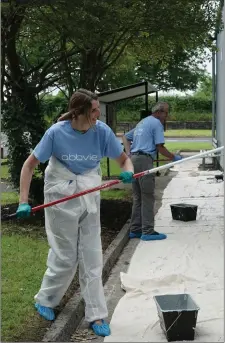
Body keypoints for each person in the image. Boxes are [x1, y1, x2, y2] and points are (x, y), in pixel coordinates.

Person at [16, 89, 134, 337]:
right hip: (60, 196)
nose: (97, 114)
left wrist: (128, 170)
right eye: (93, 110)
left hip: (89, 194)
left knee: (92, 256)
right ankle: (45, 299)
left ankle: (96, 313)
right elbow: (29, 166)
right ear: (79, 112)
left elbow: (124, 160)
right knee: (66, 256)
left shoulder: (101, 131)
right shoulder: (56, 133)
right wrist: (23, 201)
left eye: (97, 109)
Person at [122, 101, 182, 241]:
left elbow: (125, 137)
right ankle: (147, 231)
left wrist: (129, 153)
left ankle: (135, 230)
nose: (167, 116)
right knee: (148, 196)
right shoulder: (156, 123)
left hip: (134, 161)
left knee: (138, 197)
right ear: (159, 112)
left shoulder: (143, 122)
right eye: (166, 112)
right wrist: (174, 157)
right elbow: (160, 147)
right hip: (144, 161)